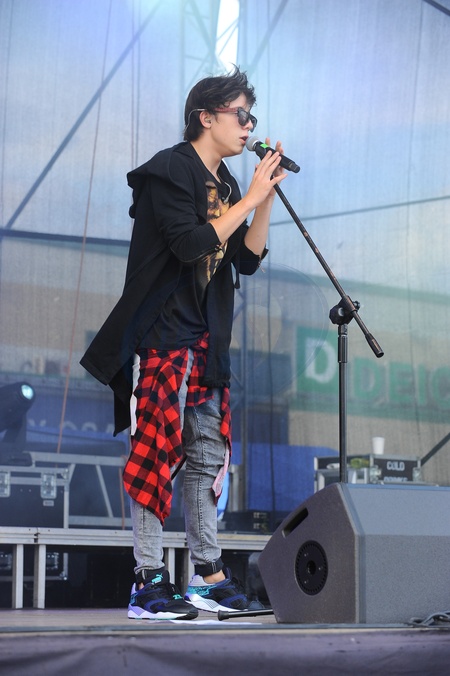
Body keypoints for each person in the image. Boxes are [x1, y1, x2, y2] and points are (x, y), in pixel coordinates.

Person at [80, 66, 286, 620]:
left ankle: (208, 575)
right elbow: (191, 245)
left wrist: (263, 199)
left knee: (205, 459)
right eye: (240, 115)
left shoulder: (231, 187)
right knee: (154, 455)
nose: (248, 126)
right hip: (162, 337)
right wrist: (249, 200)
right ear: (206, 116)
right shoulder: (171, 169)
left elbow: (245, 260)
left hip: (207, 343)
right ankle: (147, 580)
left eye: (251, 117)